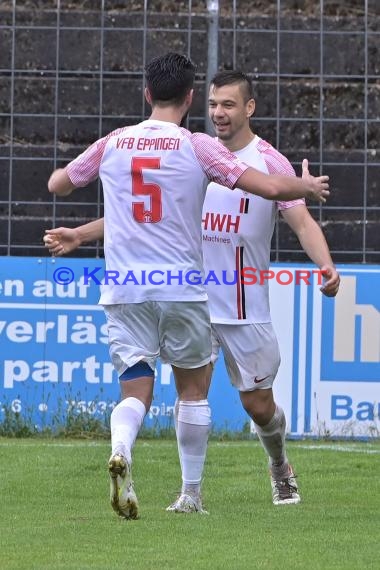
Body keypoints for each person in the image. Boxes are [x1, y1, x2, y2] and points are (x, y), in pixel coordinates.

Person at [46, 53, 330, 520]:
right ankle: (190, 494)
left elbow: (65, 185)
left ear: (249, 108)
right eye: (214, 104)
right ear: (195, 99)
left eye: (229, 105)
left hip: (207, 297)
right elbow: (270, 191)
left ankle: (274, 463)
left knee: (254, 406)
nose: (220, 113)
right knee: (191, 392)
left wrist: (325, 261)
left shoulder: (124, 142)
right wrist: (299, 184)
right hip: (189, 293)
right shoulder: (198, 150)